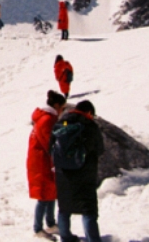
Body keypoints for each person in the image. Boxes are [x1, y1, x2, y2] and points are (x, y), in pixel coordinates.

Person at [52, 100, 104, 242]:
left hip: (63, 174)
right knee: (88, 210)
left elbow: (51, 145)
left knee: (64, 208)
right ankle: (93, 239)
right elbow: (100, 149)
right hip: (85, 174)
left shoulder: (62, 123)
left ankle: (65, 237)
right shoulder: (90, 126)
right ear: (89, 112)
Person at [27, 90, 67, 240]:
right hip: (41, 162)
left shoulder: (47, 118)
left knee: (51, 192)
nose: (63, 111)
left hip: (44, 161)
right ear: (56, 106)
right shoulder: (47, 120)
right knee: (44, 195)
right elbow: (49, 144)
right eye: (62, 107)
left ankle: (50, 223)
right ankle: (38, 228)